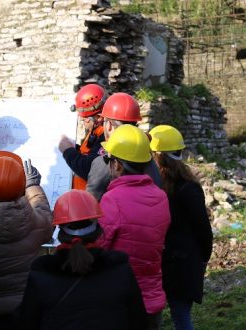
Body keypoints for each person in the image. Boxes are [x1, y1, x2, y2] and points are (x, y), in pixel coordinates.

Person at [18, 189, 147, 330]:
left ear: (60, 230)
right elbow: (138, 321)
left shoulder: (42, 274)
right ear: (97, 229)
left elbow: (27, 322)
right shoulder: (120, 269)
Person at [98, 124, 171, 329]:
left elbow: (99, 247)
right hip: (152, 298)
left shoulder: (112, 200)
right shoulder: (161, 197)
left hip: (120, 300)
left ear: (118, 164)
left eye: (109, 159)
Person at [0, 151, 53, 329]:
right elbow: (46, 217)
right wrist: (33, 186)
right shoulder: (36, 223)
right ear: (21, 188)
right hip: (24, 308)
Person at [149, 125, 213, 330]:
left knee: (179, 316)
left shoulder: (185, 188)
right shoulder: (183, 187)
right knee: (177, 316)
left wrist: (202, 258)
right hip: (171, 262)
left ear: (157, 155)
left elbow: (203, 230)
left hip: (178, 264)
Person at [85, 92, 162, 200]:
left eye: (104, 121)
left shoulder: (104, 162)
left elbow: (90, 203)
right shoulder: (147, 156)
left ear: (109, 125)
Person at [58, 84, 108, 190]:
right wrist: (75, 148)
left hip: (90, 203)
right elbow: (89, 153)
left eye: (85, 119)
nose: (83, 122)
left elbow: (89, 169)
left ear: (98, 117)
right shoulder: (96, 130)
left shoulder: (107, 137)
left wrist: (68, 151)